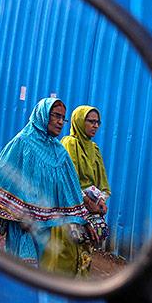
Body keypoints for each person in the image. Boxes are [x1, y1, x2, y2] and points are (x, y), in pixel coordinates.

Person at [0, 97, 98, 273]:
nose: (60, 122)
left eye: (63, 118)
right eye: (56, 116)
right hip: (23, 228)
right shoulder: (22, 142)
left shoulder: (59, 153)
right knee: (21, 275)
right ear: (43, 115)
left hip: (49, 231)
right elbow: (2, 176)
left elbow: (70, 189)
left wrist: (84, 220)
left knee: (43, 276)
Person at [61, 106, 111, 250]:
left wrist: (101, 200)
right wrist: (87, 202)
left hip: (91, 210)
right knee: (68, 250)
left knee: (84, 254)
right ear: (79, 121)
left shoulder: (94, 148)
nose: (95, 125)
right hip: (71, 208)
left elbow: (102, 182)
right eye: (91, 121)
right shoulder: (70, 143)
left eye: (98, 122)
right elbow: (69, 179)